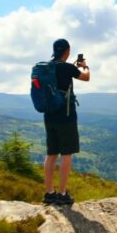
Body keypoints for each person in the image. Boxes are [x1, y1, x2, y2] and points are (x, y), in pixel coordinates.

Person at [43, 38, 90, 205]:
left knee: (51, 154)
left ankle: (49, 193)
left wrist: (72, 66)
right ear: (67, 51)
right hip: (66, 116)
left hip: (49, 115)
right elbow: (86, 78)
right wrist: (85, 66)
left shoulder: (48, 67)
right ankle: (62, 194)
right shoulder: (67, 68)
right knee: (66, 154)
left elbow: (61, 72)